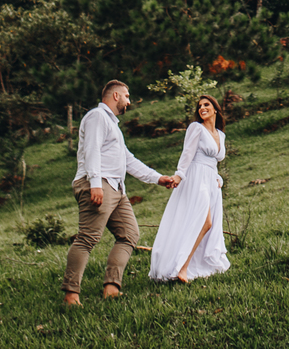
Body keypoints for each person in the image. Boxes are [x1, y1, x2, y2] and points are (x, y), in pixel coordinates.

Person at [62, 80, 177, 305]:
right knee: (87, 238)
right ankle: (70, 294)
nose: (129, 101)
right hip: (98, 184)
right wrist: (95, 183)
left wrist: (157, 178)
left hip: (116, 188)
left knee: (129, 235)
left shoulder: (112, 125)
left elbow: (128, 160)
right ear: (115, 96)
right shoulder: (97, 117)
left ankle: (112, 288)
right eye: (126, 96)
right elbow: (91, 150)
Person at [148, 94, 230, 283]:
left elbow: (214, 161)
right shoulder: (196, 128)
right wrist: (179, 175)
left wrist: (218, 178)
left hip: (211, 182)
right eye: (200, 106)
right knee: (205, 221)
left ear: (215, 108)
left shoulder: (221, 135)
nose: (202, 108)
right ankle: (181, 268)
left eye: (207, 104)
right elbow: (188, 154)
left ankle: (188, 265)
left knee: (208, 224)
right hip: (196, 178)